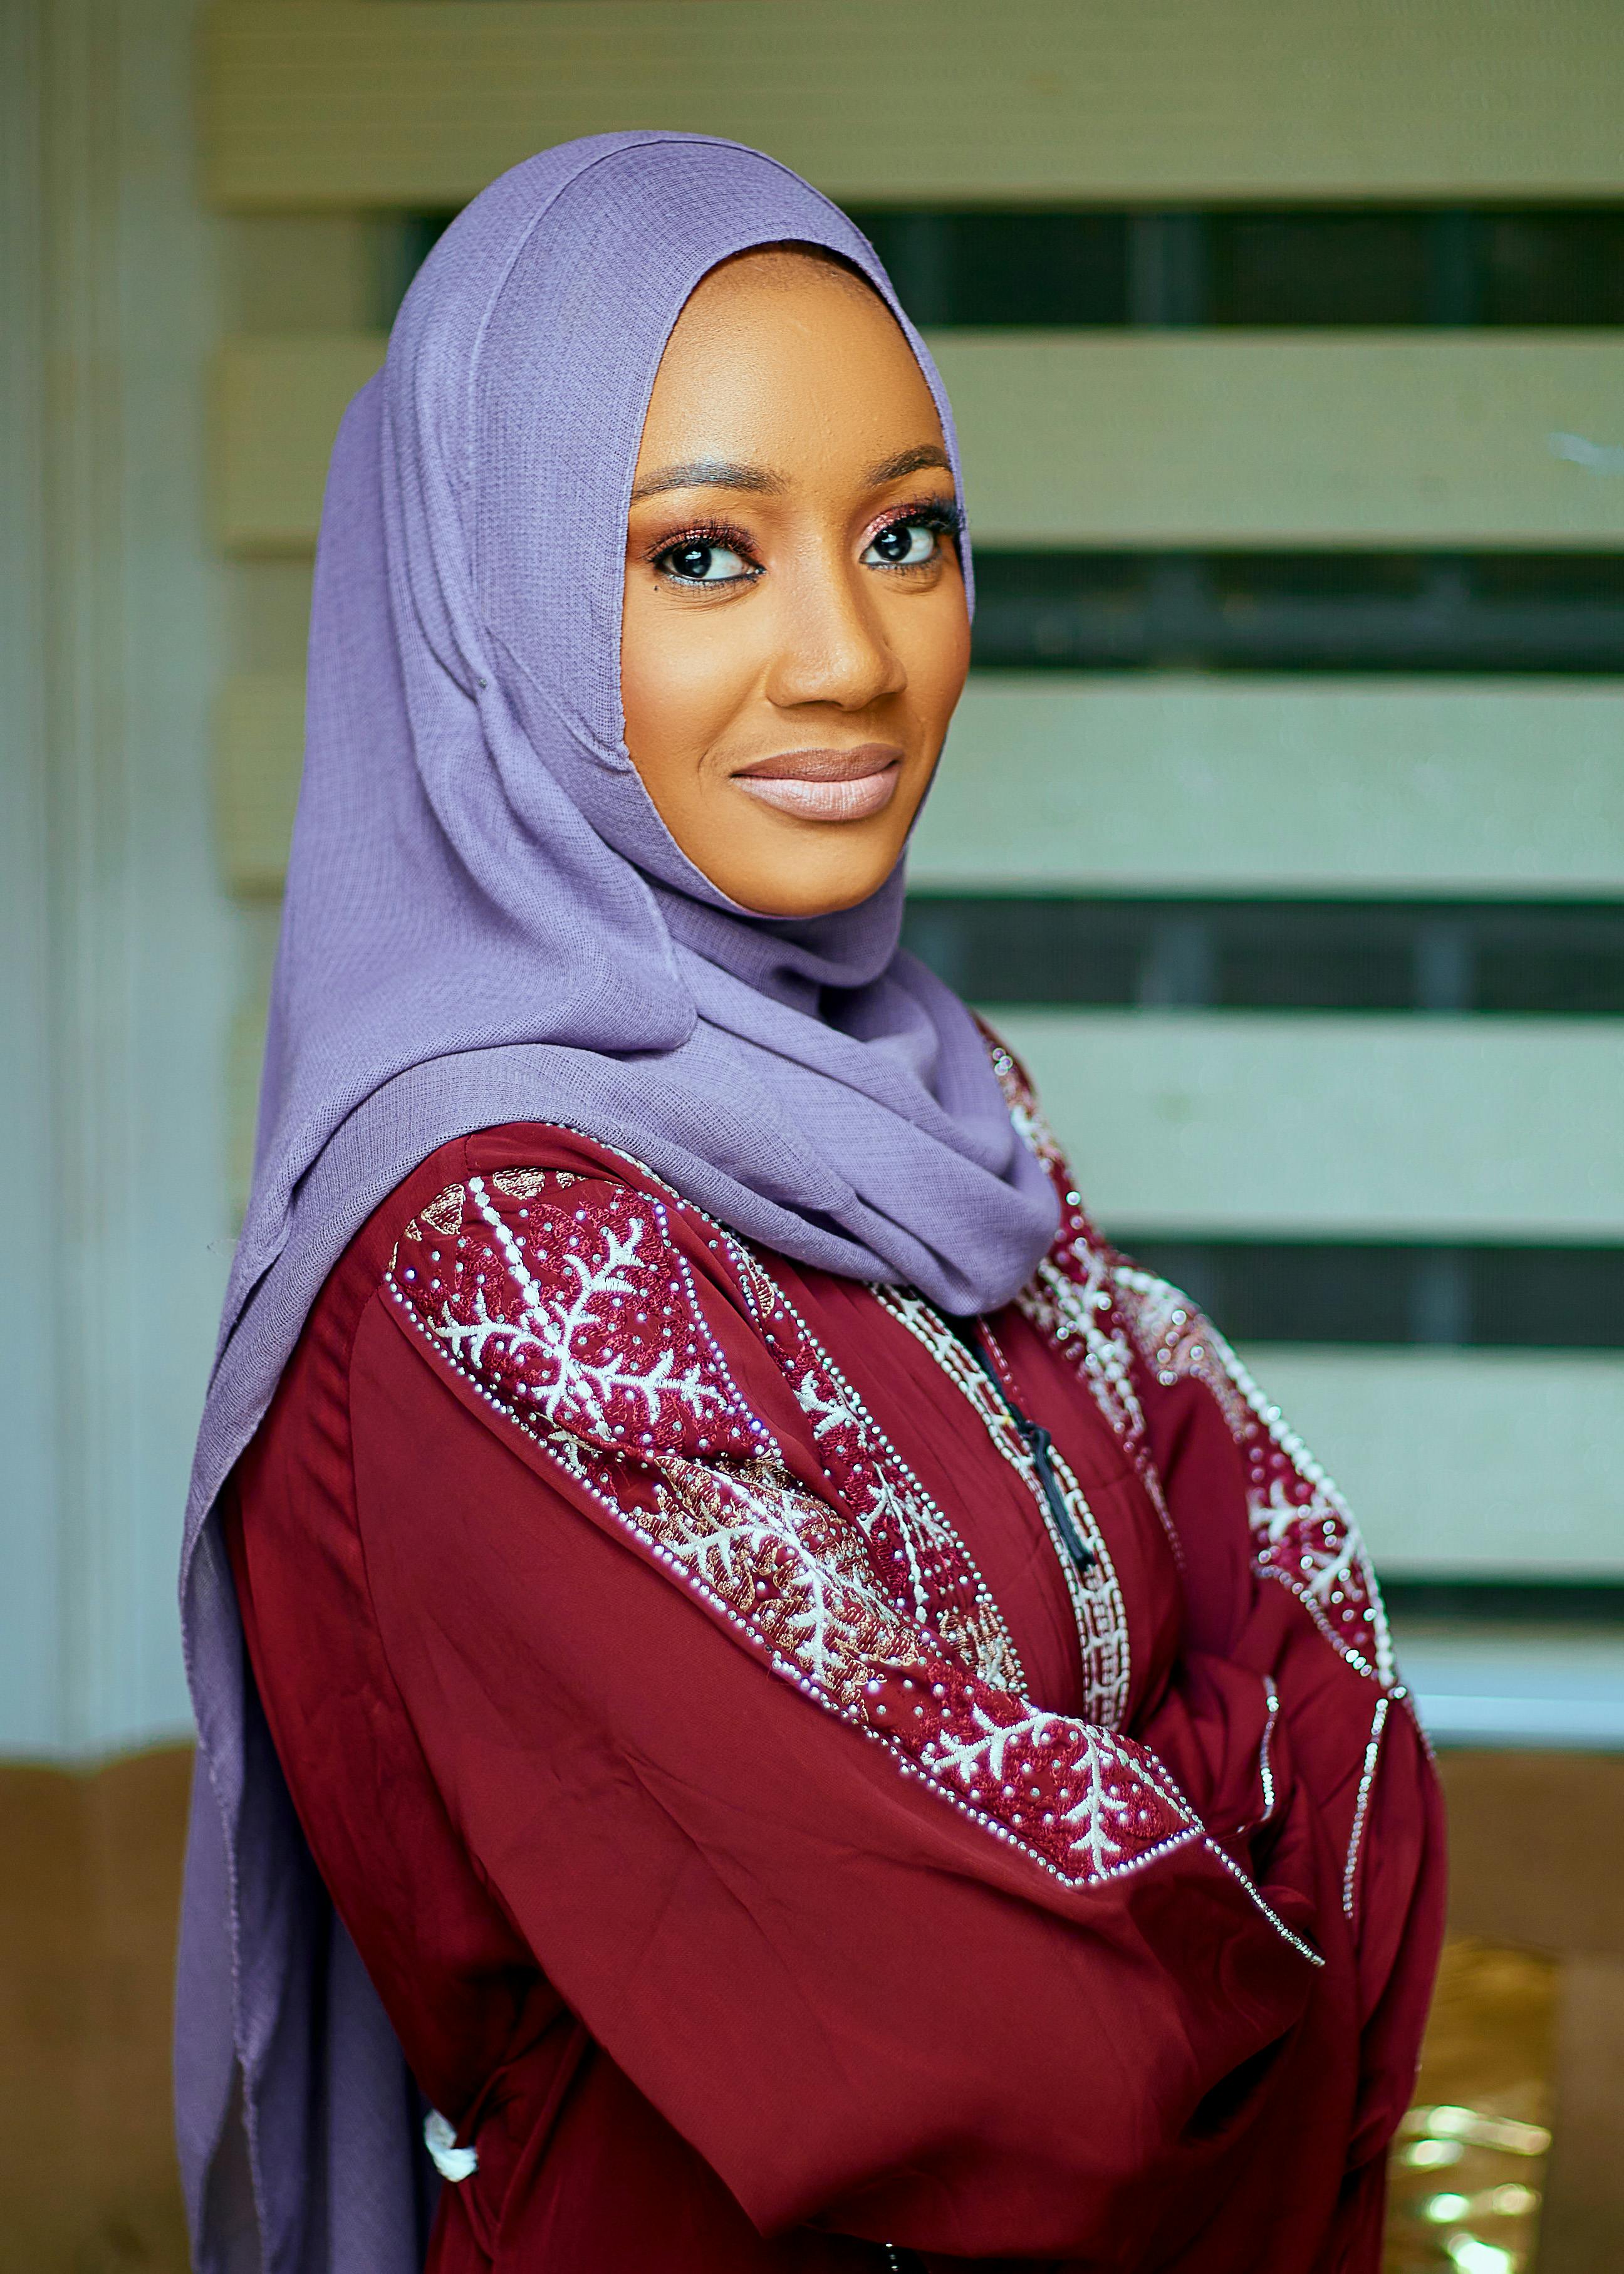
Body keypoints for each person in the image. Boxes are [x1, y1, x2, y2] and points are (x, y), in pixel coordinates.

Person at [177, 133, 1444, 2274]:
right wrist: (1245, 1799)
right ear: (484, 599)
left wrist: (1177, 1812)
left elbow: (1323, 1636)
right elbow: (1048, 2040)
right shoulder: (490, 1256)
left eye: (907, 533)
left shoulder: (927, 1100)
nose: (852, 658)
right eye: (702, 556)